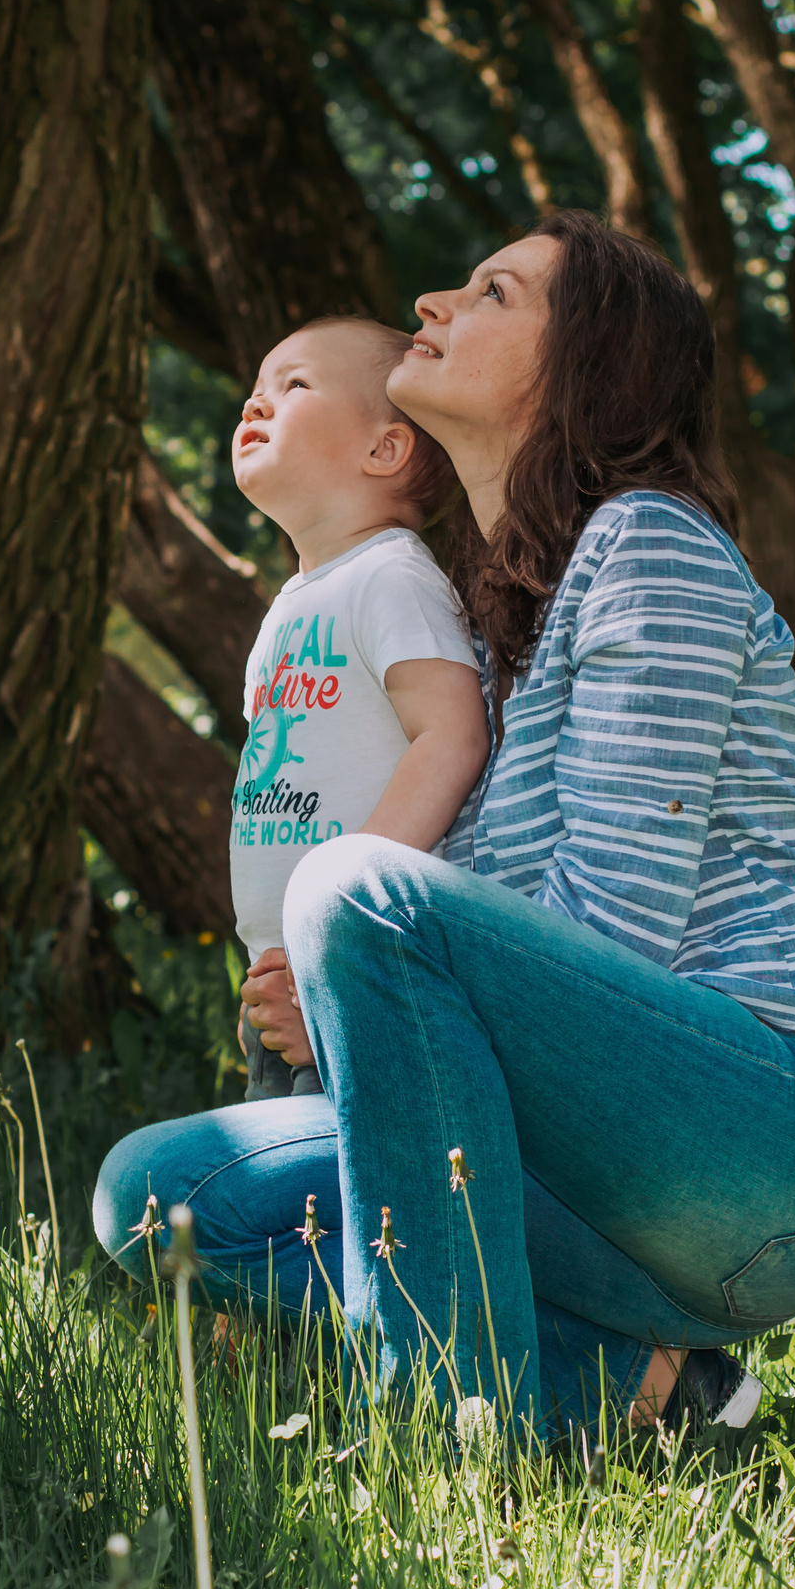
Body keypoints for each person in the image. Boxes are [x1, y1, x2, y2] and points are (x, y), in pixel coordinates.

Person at [93, 213, 795, 1440]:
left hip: (784, 1146)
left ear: (588, 366)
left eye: (491, 292)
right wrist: (346, 1010)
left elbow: (614, 930)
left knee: (355, 892)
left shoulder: (652, 546)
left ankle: (446, 1421)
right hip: (605, 1192)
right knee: (154, 1195)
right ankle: (644, 1392)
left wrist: (347, 957)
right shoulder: (488, 626)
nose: (432, 301)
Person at [224, 317, 489, 1099]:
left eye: (292, 385)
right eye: (254, 391)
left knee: (348, 1199)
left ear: (384, 449)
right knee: (294, 1212)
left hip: (354, 963)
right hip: (277, 973)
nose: (253, 404)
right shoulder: (291, 606)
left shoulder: (391, 577)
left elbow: (452, 735)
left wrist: (338, 913)